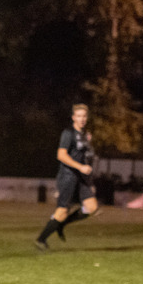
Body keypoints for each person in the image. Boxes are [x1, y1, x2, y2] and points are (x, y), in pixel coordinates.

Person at [35, 103, 98, 250]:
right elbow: (61, 155)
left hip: (81, 178)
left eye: (84, 116)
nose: (82, 119)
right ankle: (41, 239)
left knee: (91, 207)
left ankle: (61, 224)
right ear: (73, 117)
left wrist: (89, 179)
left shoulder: (84, 135)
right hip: (68, 177)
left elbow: (83, 155)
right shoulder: (68, 133)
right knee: (62, 211)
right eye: (79, 116)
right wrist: (80, 167)